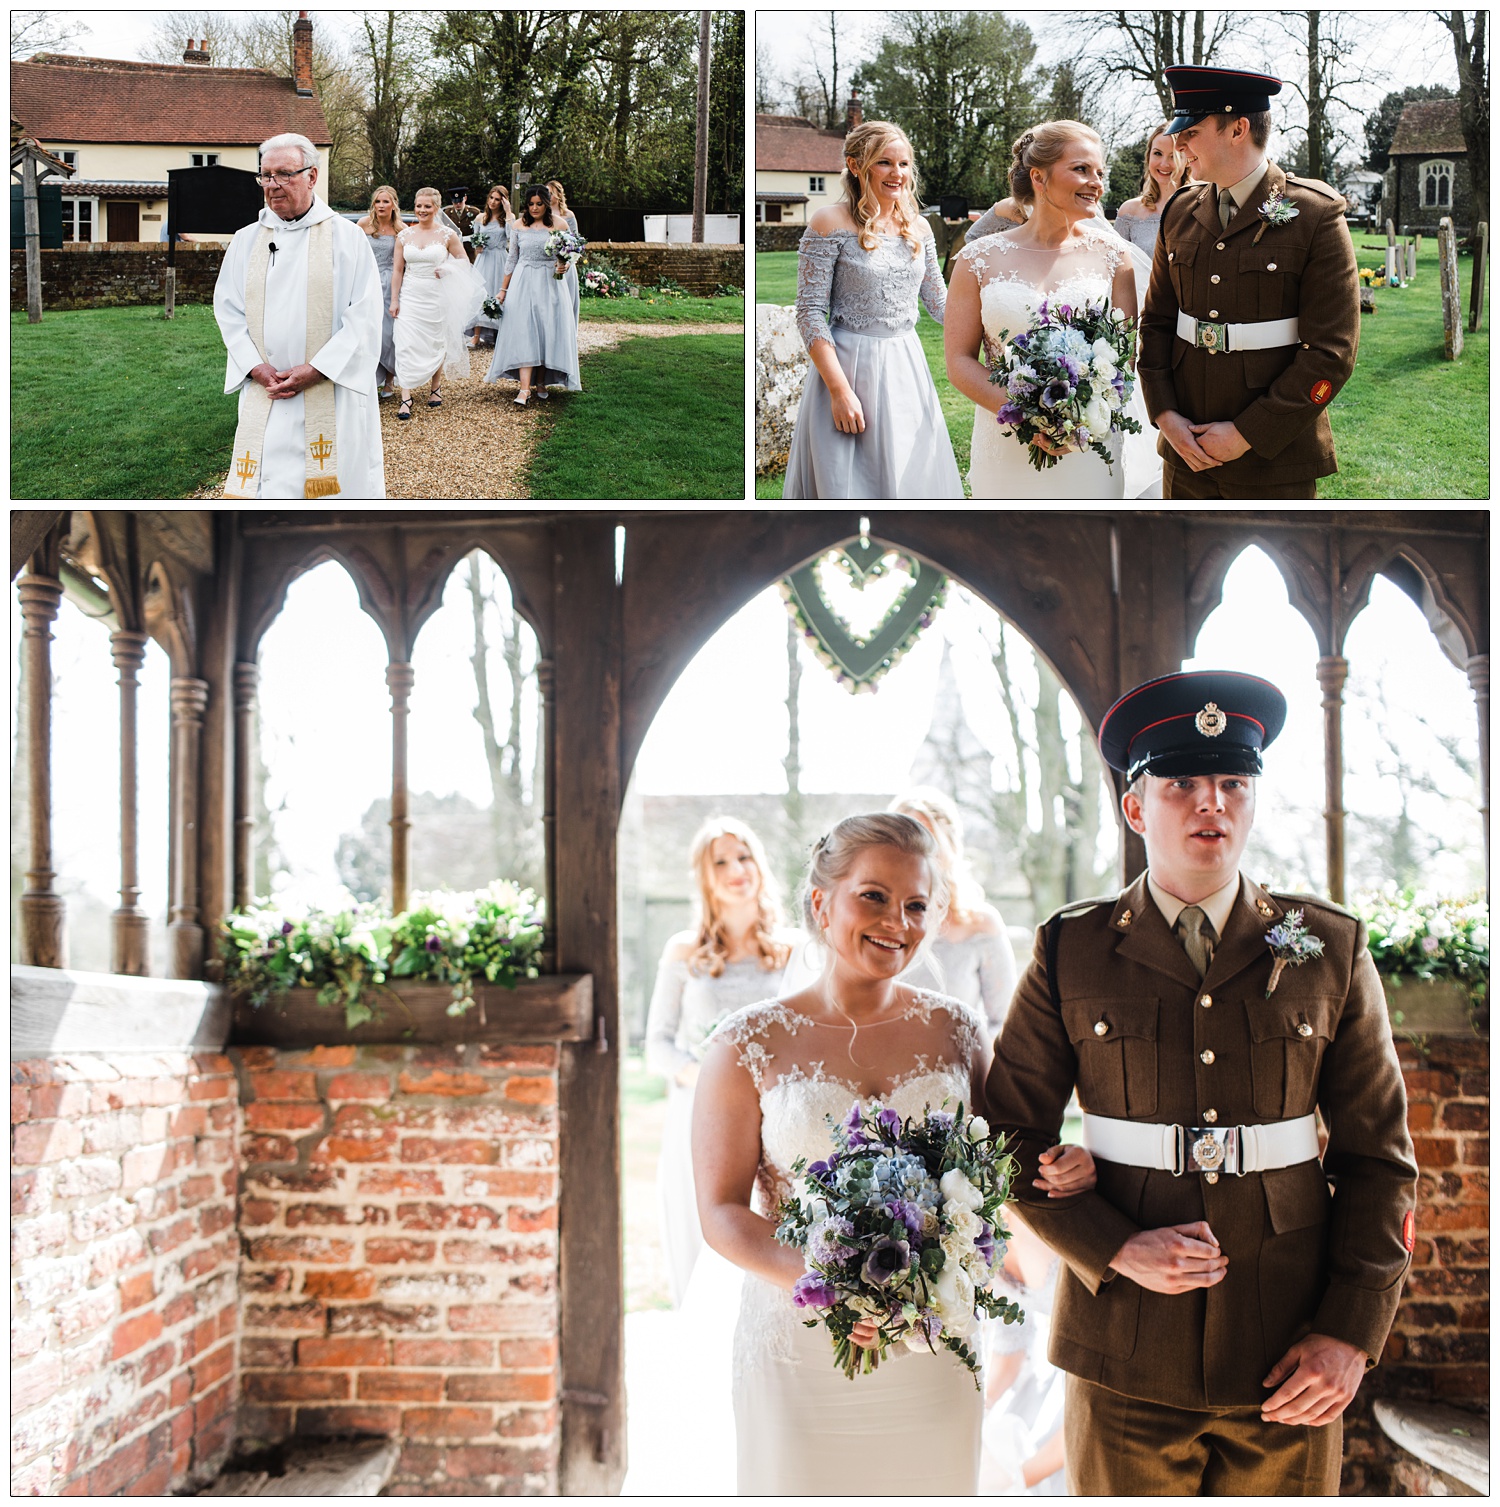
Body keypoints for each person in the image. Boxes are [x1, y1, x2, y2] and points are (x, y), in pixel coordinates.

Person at [987, 668, 1418, 1495]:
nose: (1210, 801)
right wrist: (1110, 1244)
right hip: (1123, 1348)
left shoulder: (1328, 947)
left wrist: (1348, 1335)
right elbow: (1005, 1135)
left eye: (1232, 782)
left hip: (1290, 1349)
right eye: (1181, 781)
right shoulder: (1070, 949)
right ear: (1135, 807)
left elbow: (1379, 1162)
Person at [694, 813, 1097, 1495]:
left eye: (916, 904)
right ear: (822, 902)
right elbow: (723, 1210)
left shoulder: (957, 1030)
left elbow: (999, 1171)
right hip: (799, 1345)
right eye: (873, 896)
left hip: (935, 1341)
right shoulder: (745, 1043)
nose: (897, 921)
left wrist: (1067, 1169)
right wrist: (842, 1284)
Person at [1138, 66, 1360, 499]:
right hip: (1185, 454)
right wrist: (1165, 414)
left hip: (1273, 459)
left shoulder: (1314, 213)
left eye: (1192, 132)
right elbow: (1157, 323)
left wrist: (1246, 434)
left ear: (1238, 128)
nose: (1178, 145)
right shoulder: (1180, 210)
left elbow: (1332, 352)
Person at [946, 120, 1138, 500]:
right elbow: (959, 361)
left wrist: (1076, 418)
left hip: (1088, 443)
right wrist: (1032, 416)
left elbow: (1125, 358)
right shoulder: (976, 260)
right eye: (1081, 169)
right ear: (1039, 176)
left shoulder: (1116, 258)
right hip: (1005, 441)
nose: (1096, 182)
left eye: (1100, 172)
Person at [644, 818, 793, 1307]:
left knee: (766, 1248)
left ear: (760, 865)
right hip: (700, 1115)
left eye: (744, 856)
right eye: (721, 861)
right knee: (702, 1238)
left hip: (776, 1117)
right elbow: (658, 1045)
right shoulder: (684, 950)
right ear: (704, 876)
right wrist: (714, 1081)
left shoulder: (792, 950)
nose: (736, 870)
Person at [782, 122, 962, 499]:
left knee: (911, 476)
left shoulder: (919, 227)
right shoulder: (828, 222)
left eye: (904, 164)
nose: (897, 173)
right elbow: (811, 313)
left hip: (906, 365)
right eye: (884, 162)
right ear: (855, 164)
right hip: (849, 366)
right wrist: (839, 390)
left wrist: (991, 335)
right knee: (848, 483)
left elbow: (939, 303)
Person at [214, 131, 385, 499]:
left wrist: (317, 369)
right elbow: (227, 309)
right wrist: (254, 367)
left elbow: (366, 316)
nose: (273, 185)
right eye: (266, 175)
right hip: (268, 389)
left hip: (330, 390)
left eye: (284, 174)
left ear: (312, 176)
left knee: (332, 491)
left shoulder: (347, 238)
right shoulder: (246, 239)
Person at [889, 787, 1018, 1037]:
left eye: (925, 841)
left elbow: (1004, 1021)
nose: (912, 855)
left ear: (950, 847)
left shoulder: (982, 924)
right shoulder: (877, 922)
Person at [484, 184, 581, 404]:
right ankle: (524, 388)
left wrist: (563, 263)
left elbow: (568, 253)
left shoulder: (560, 224)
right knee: (525, 330)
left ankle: (541, 381)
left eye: (539, 204)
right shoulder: (518, 225)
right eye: (531, 204)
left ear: (547, 204)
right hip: (523, 281)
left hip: (550, 284)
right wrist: (503, 290)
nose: (535, 208)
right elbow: (512, 259)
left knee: (546, 330)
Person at [357, 184, 402, 398]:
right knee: (366, 331)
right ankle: (369, 379)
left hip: (389, 283)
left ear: (393, 204)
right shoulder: (363, 225)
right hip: (366, 281)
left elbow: (402, 264)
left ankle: (390, 380)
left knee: (388, 332)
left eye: (385, 201)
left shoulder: (401, 229)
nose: (381, 205)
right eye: (377, 201)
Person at [1114, 122, 1189, 251]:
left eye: (1173, 156)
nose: (1164, 164)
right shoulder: (1128, 212)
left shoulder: (1203, 207)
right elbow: (1115, 265)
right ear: (1148, 156)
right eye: (1158, 153)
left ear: (1187, 160)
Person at [466, 184, 513, 350]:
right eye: (491, 198)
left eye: (497, 199)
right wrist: (477, 246)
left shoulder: (508, 217)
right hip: (483, 259)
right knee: (479, 293)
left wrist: (508, 212)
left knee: (498, 294)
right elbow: (476, 239)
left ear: (503, 201)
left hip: (500, 258)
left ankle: (500, 334)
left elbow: (511, 237)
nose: (493, 202)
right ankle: (476, 336)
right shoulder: (481, 217)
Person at [445, 184, 478, 260]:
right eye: (455, 202)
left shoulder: (474, 213)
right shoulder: (447, 213)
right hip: (453, 251)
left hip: (469, 250)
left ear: (465, 198)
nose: (458, 204)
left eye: (460, 201)